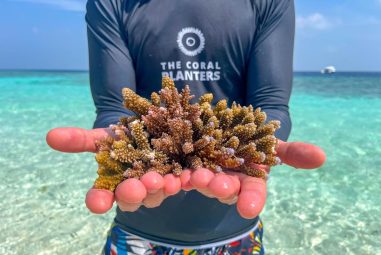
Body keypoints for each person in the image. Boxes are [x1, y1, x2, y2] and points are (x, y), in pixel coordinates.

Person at [46, 0, 326, 254]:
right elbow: (115, 108)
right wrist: (116, 148)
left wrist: (258, 145)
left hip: (236, 233)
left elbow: (271, 104)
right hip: (137, 234)